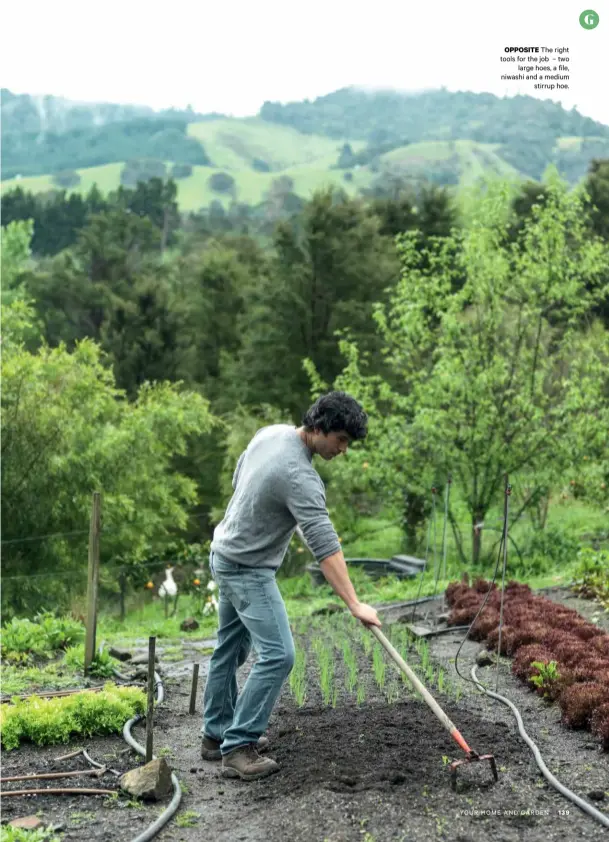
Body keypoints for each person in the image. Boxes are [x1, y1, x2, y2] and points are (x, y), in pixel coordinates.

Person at [201, 391, 382, 781]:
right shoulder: (300, 477)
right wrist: (354, 603)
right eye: (341, 440)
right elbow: (325, 547)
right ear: (319, 429)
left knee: (230, 648)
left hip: (223, 552)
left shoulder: (272, 434)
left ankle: (215, 736)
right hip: (247, 568)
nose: (344, 450)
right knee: (280, 654)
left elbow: (240, 479)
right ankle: (238, 747)